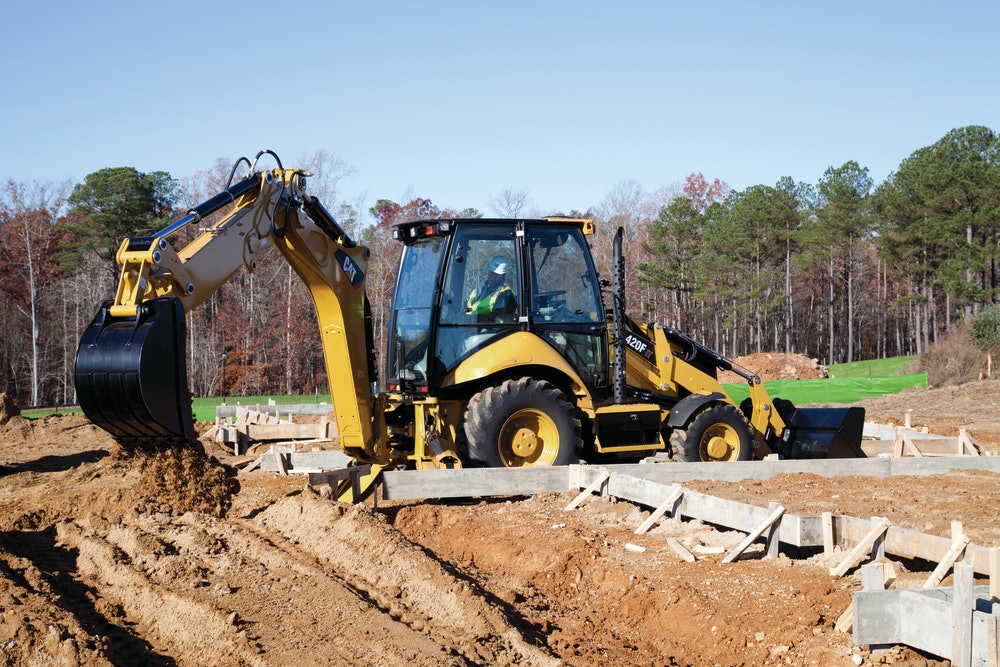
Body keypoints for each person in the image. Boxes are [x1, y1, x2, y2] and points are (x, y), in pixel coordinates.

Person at [466, 255, 517, 322]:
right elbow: (469, 308)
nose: (493, 276)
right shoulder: (478, 290)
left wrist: (475, 319)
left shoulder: (505, 294)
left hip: (487, 329)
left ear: (503, 276)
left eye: (497, 274)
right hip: (468, 326)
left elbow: (496, 317)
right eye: (491, 272)